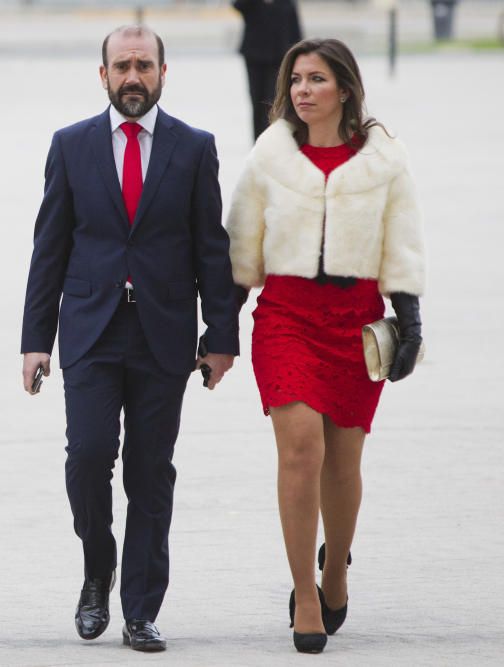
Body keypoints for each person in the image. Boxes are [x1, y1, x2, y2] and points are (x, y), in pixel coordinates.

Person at [20, 25, 239, 653]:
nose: (133, 77)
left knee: (150, 472)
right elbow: (49, 249)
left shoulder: (194, 148)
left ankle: (141, 608)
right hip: (89, 330)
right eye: (123, 66)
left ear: (164, 73)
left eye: (145, 65)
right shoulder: (71, 145)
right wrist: (36, 339)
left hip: (164, 335)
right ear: (104, 75)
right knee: (88, 458)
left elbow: (211, 249)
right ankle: (98, 564)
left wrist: (220, 334)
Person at [225, 38, 425, 653]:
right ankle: (304, 597)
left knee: (344, 462)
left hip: (355, 322)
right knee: (300, 451)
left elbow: (403, 240)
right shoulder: (269, 158)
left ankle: (334, 567)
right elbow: (239, 249)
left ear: (344, 88)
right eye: (295, 81)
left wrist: (409, 318)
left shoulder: (384, 161)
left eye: (315, 79)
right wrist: (216, 331)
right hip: (286, 317)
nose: (302, 91)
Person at [233, 0, 303, 140]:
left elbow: (294, 28)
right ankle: (258, 142)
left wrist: (300, 54)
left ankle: (272, 140)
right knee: (257, 101)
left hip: (279, 58)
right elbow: (238, 6)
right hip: (254, 56)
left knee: (274, 101)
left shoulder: (286, 3)